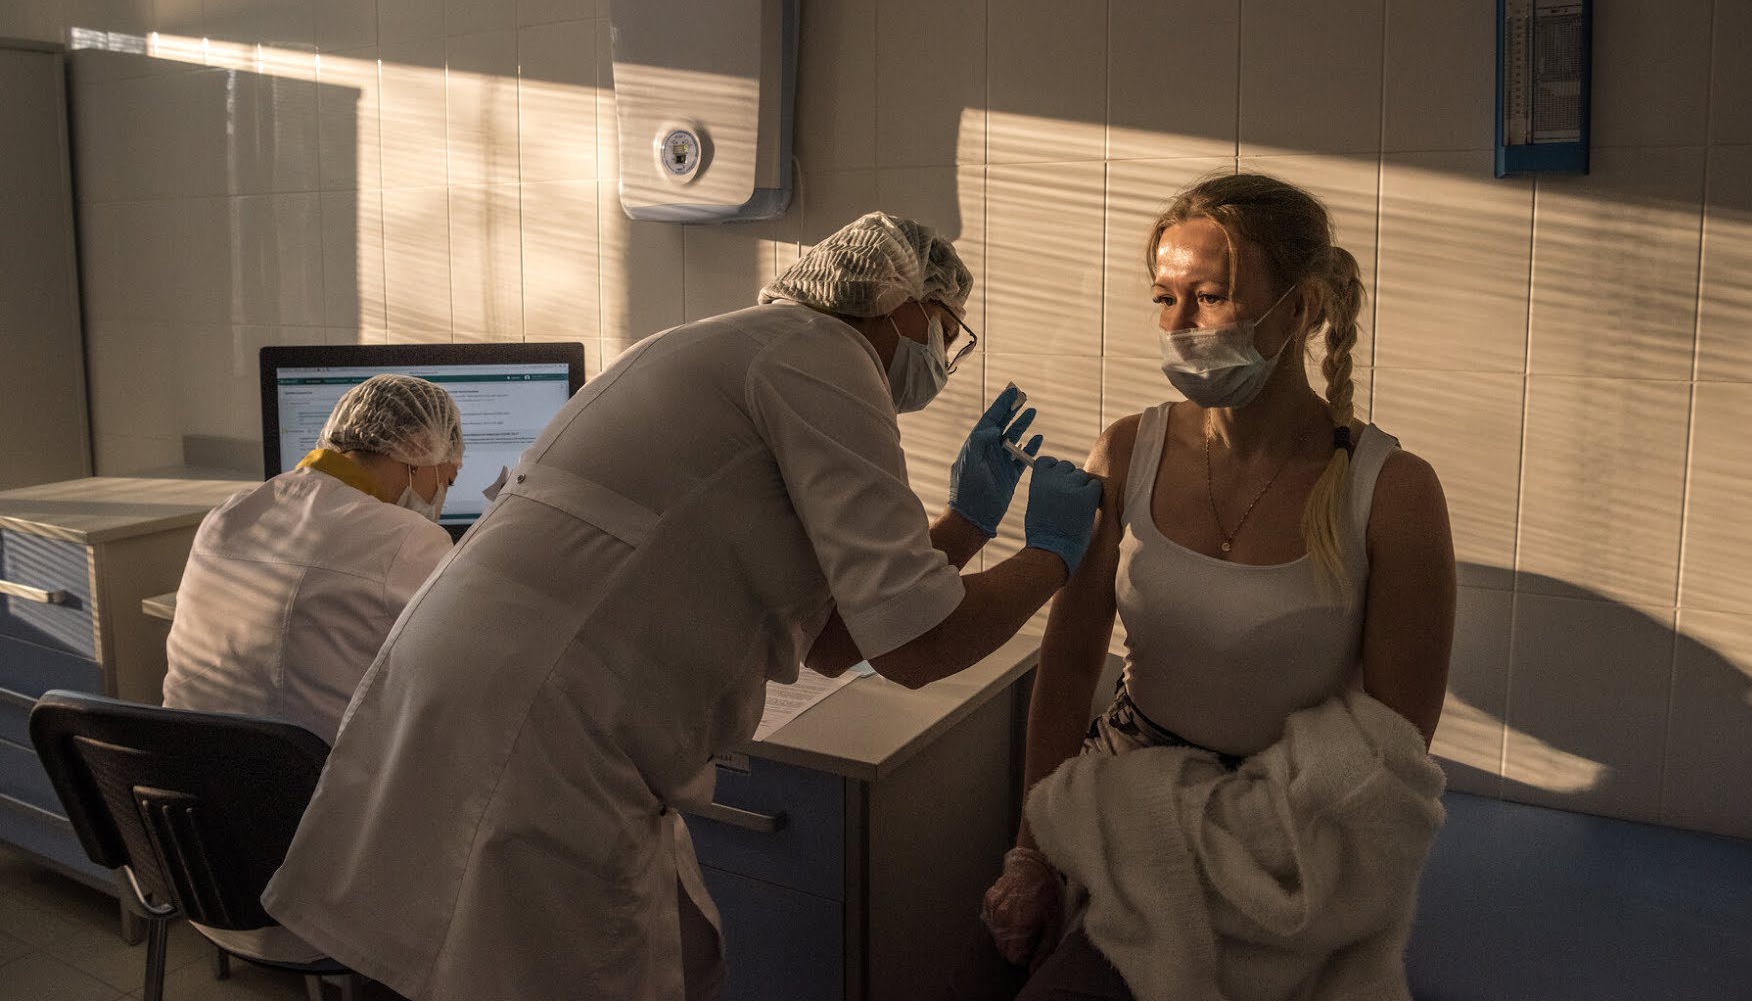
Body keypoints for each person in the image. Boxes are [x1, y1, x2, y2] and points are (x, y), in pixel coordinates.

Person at [261, 212, 1104, 1001]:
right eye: (946, 331)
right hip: (550, 731)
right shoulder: (826, 356)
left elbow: (841, 641)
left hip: (471, 697)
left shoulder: (726, 346)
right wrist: (1052, 555)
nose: (942, 360)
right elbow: (920, 647)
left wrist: (962, 525)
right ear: (899, 301)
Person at [972, 173, 1457, 999]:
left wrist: (1252, 841)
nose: (1178, 326)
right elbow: (1069, 660)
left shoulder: (1395, 493)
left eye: (1211, 297)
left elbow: (1389, 747)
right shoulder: (1127, 453)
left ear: (1299, 310)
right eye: (1164, 298)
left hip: (1300, 850)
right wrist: (1033, 851)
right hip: (1130, 823)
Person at [162, 371, 462, 965]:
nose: (445, 492)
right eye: (446, 477)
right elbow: (464, 669)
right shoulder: (407, 540)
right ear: (417, 457)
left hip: (194, 863)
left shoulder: (230, 512)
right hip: (320, 895)